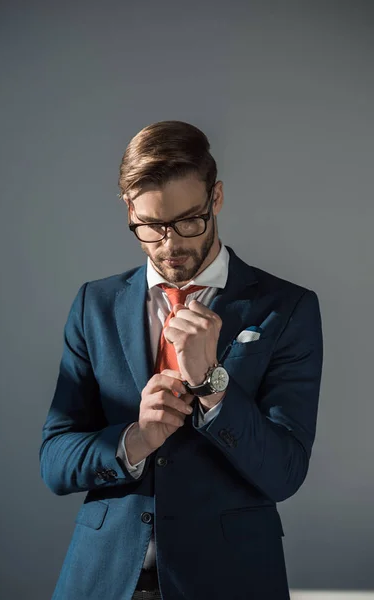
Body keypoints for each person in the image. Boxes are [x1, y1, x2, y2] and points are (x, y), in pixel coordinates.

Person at [39, 120, 324, 600]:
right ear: (129, 210)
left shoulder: (286, 308)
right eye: (150, 226)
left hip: (230, 580)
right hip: (103, 579)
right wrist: (134, 439)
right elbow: (54, 460)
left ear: (216, 198)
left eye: (188, 221)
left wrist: (213, 387)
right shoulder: (96, 304)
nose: (170, 245)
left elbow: (285, 471)